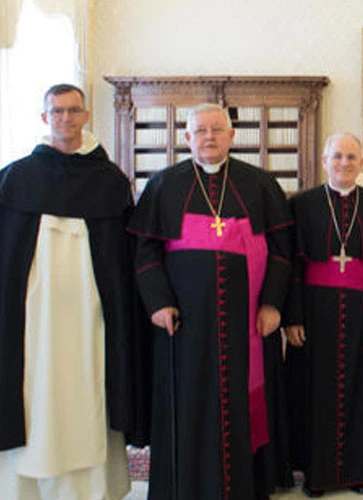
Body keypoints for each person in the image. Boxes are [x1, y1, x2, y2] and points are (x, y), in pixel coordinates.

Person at [129, 103, 293, 499]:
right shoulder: (165, 185)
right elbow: (145, 251)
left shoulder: (260, 184)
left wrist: (271, 304)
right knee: (188, 402)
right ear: (187, 137)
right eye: (200, 130)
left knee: (243, 403)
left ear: (233, 135)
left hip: (247, 324)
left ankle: (246, 487)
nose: (209, 137)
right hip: (185, 325)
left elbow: (282, 250)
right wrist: (158, 303)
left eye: (217, 129)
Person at [0, 83, 146, 499]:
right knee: (34, 387)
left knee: (90, 386)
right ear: (45, 117)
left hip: (92, 316)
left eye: (73, 111)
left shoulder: (110, 182)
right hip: (33, 319)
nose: (66, 118)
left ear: (85, 116)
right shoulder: (14, 179)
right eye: (57, 111)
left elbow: (124, 258)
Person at [283, 132, 363, 497]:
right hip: (315, 310)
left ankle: (357, 471)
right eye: (337, 157)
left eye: (351, 157)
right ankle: (319, 473)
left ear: (362, 163)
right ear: (324, 160)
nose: (344, 163)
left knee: (357, 387)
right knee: (314, 390)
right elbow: (294, 268)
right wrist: (294, 317)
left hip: (360, 308)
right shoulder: (303, 204)